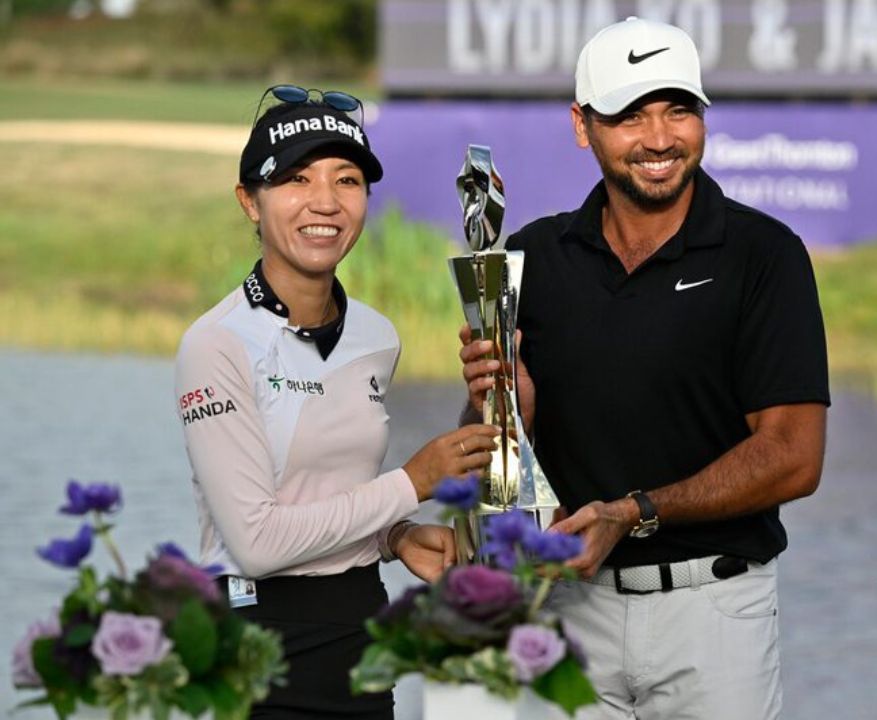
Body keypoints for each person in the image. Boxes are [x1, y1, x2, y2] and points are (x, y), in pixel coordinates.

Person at [458, 18, 830, 719]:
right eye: (630, 115)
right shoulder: (532, 257)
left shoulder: (764, 255)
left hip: (713, 614)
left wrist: (633, 514)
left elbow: (795, 459)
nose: (659, 138)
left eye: (678, 109)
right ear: (582, 125)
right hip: (568, 612)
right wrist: (510, 407)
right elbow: (492, 478)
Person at [175, 85, 497, 719]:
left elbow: (324, 495)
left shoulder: (378, 337)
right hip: (256, 642)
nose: (325, 202)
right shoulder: (215, 344)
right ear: (250, 201)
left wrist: (393, 537)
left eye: (347, 180)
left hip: (359, 631)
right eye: (296, 179)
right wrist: (412, 482)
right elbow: (259, 542)